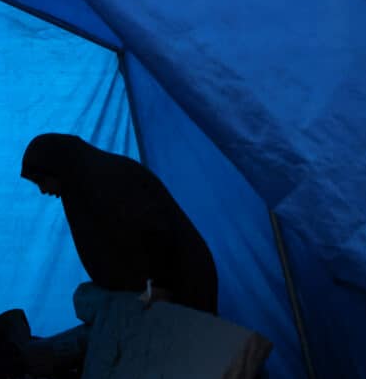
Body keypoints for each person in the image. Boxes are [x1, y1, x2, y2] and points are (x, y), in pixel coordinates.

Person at [21, 133, 218, 315]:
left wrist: (158, 285)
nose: (43, 190)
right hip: (160, 286)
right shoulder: (82, 189)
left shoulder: (110, 182)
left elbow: (155, 232)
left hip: (181, 282)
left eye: (41, 180)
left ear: (58, 167)